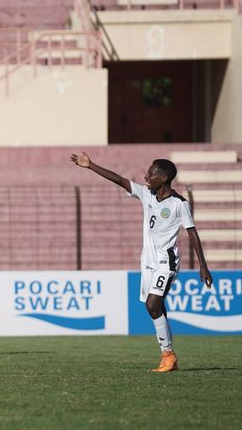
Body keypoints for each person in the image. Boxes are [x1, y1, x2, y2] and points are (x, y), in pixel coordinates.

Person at [71, 152, 213, 372]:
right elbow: (120, 180)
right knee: (157, 307)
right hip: (147, 263)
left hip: (167, 262)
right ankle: (169, 356)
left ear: (164, 177)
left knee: (152, 305)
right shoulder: (147, 194)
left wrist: (203, 266)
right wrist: (90, 165)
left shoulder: (179, 204)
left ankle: (168, 354)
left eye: (151, 173)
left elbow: (192, 233)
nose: (146, 176)